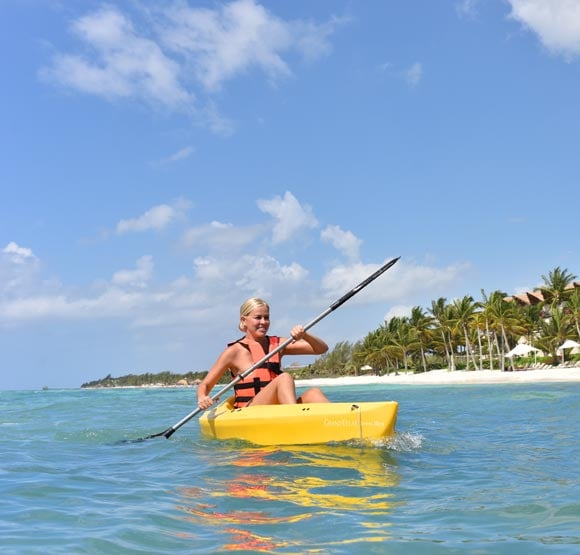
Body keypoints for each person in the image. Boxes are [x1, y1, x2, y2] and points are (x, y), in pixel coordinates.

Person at [197, 297, 330, 410]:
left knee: (314, 393)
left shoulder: (278, 344)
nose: (263, 322)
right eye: (258, 318)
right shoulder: (233, 352)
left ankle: (339, 425)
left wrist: (305, 335)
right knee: (284, 378)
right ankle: (294, 420)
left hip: (276, 409)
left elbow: (321, 349)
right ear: (244, 320)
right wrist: (202, 397)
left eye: (266, 318)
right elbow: (206, 385)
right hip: (249, 411)